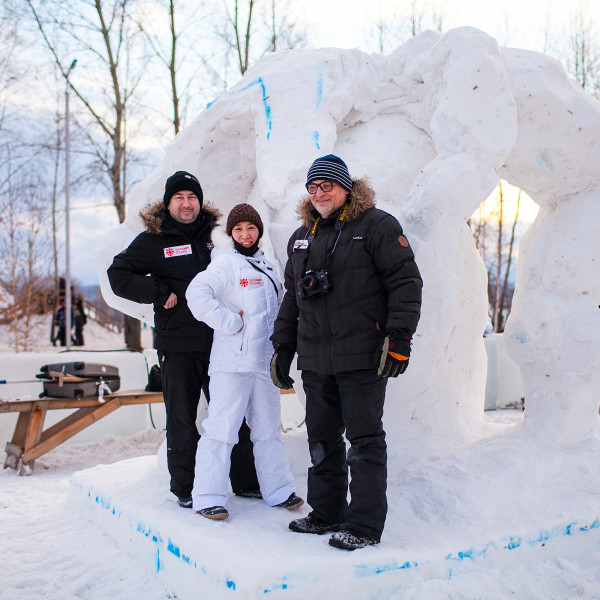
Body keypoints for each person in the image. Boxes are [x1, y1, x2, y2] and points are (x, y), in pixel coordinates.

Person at [270, 155, 422, 550]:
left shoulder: (377, 226)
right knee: (321, 438)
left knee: (364, 440)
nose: (319, 193)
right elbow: (292, 297)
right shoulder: (301, 235)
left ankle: (365, 525)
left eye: (327, 186)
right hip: (316, 359)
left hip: (362, 356)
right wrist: (283, 346)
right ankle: (326, 513)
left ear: (346, 188)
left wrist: (399, 338)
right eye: (313, 187)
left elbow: (405, 283)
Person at [107, 171, 260, 508]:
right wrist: (158, 292)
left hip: (221, 341)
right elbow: (117, 274)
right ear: (168, 202)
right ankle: (185, 487)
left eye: (192, 197)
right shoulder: (153, 239)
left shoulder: (216, 236)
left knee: (233, 413)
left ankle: (247, 481)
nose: (187, 203)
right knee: (181, 417)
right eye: (179, 198)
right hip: (177, 344)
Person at [185, 203, 303, 520]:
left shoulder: (267, 267)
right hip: (232, 364)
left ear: (259, 231)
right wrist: (231, 323)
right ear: (231, 234)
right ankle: (208, 496)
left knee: (268, 431)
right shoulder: (226, 264)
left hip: (263, 363)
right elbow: (196, 294)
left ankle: (278, 490)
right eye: (238, 229)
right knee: (222, 430)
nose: (245, 234)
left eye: (251, 228)